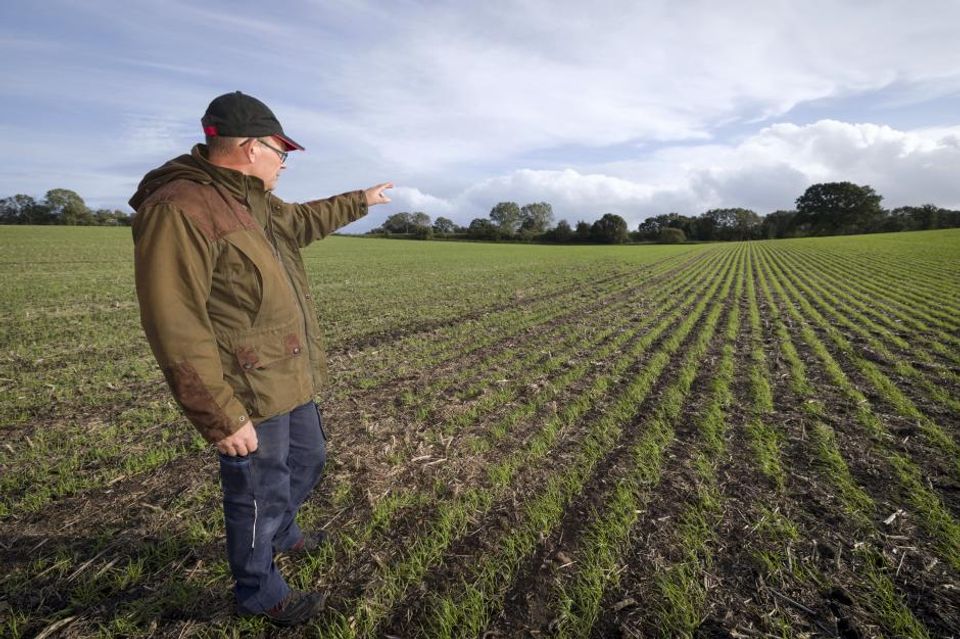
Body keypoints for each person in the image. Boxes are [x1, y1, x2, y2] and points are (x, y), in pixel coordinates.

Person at [129, 91, 392, 626]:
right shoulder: (180, 207)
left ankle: (285, 532)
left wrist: (359, 200)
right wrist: (218, 413)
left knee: (309, 459)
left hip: (288, 373)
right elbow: (173, 320)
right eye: (281, 152)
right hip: (245, 388)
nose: (285, 162)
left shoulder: (254, 200)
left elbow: (301, 221)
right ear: (250, 148)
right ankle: (258, 590)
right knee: (256, 492)